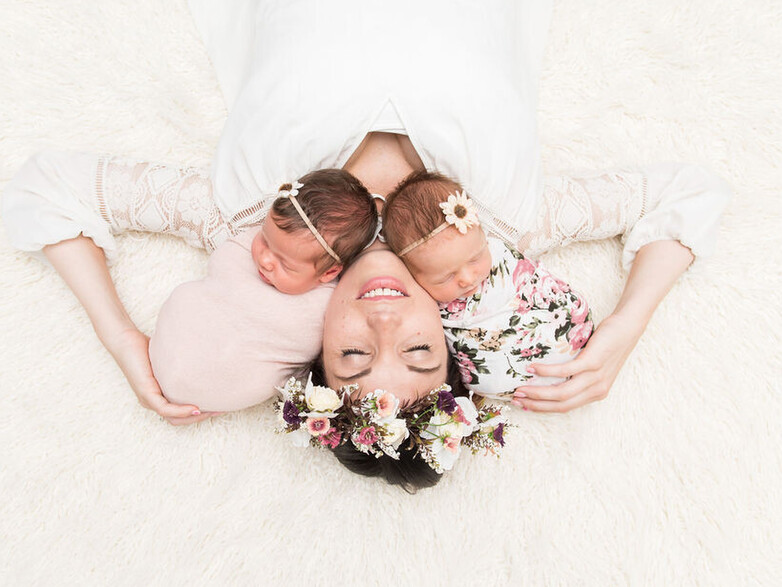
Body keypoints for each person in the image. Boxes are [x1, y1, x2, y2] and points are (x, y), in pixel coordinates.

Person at [2, 0, 730, 434]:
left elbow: (43, 186)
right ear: (447, 337)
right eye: (417, 353)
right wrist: (627, 329)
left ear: (319, 341)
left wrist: (124, 337)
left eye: (354, 357)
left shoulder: (255, 218)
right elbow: (688, 194)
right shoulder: (500, 225)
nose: (385, 326)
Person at [149, 168, 377, 411]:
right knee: (187, 299)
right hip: (178, 349)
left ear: (328, 273)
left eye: (285, 264)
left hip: (230, 381)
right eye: (265, 240)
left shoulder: (328, 304)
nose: (266, 260)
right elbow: (224, 262)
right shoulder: (245, 248)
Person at [382, 171, 594, 402]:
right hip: (514, 381)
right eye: (445, 277)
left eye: (475, 259)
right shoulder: (423, 302)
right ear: (413, 274)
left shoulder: (501, 250)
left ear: (483, 235)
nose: (466, 279)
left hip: (571, 335)